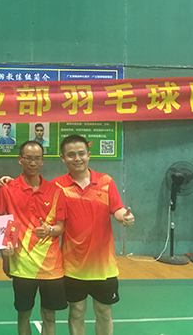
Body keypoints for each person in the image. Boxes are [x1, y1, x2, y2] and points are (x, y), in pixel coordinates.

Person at [54, 134, 135, 335]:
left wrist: (124, 217)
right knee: (76, 311)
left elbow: (117, 209)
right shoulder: (58, 185)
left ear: (89, 155)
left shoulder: (106, 181)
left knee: (104, 312)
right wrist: (8, 182)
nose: (77, 158)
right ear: (63, 158)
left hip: (103, 265)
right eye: (71, 155)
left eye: (81, 153)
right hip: (73, 265)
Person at [0, 141, 67, 335]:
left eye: (37, 159)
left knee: (49, 315)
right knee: (23, 315)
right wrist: (5, 256)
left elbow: (60, 226)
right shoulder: (7, 189)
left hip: (51, 266)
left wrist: (49, 230)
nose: (33, 163)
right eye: (28, 158)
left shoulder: (56, 191)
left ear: (43, 161)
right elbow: (2, 221)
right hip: (22, 265)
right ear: (20, 160)